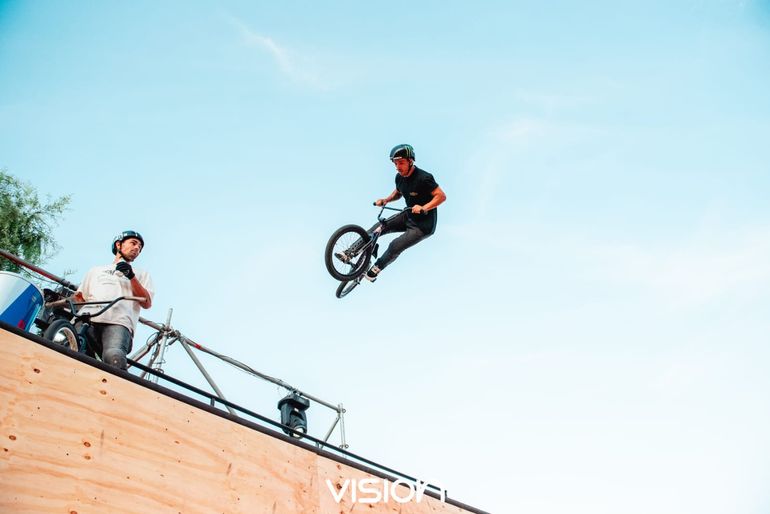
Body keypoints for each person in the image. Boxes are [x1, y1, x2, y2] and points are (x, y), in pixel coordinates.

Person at [73, 230, 154, 369]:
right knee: (73, 348)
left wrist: (131, 276)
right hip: (88, 318)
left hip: (118, 322)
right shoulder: (96, 270)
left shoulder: (141, 274)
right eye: (133, 243)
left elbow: (146, 302)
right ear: (118, 245)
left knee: (114, 357)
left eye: (140, 247)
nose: (137, 248)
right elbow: (80, 297)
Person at [365, 144, 446, 282]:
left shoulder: (424, 178)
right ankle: (351, 252)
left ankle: (376, 269)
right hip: (408, 215)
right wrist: (386, 200)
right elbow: (398, 192)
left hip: (422, 226)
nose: (398, 167)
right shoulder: (399, 177)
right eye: (395, 163)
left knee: (395, 245)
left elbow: (441, 196)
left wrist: (424, 207)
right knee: (377, 228)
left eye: (401, 163)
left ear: (410, 161)